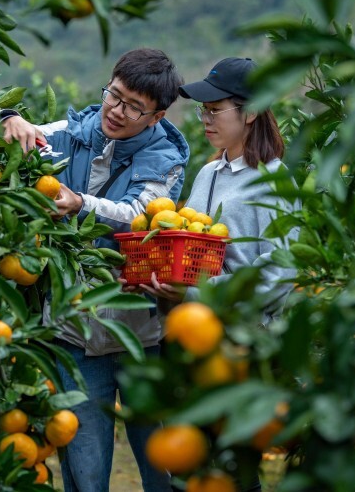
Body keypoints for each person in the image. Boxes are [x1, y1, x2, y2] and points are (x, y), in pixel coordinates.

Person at [0, 47, 189, 492]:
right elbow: (6, 135)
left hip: (140, 336)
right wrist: (6, 117)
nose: (117, 112)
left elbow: (140, 214)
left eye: (133, 108)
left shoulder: (166, 159)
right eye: (114, 96)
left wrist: (81, 204)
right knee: (85, 476)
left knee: (164, 471)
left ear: (156, 116)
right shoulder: (75, 132)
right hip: (75, 334)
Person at [133, 57, 300, 491]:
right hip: (191, 344)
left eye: (215, 110)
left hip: (237, 349)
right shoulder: (209, 172)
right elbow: (190, 248)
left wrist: (209, 294)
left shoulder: (271, 182)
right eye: (203, 111)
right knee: (191, 466)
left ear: (250, 112)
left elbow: (280, 276)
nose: (205, 119)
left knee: (230, 469)